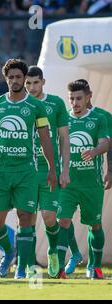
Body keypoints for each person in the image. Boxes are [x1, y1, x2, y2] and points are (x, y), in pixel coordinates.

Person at [0, 59, 56, 279]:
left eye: (18, 77)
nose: (14, 80)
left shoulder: (36, 106)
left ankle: (22, 267)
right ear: (6, 79)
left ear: (24, 78)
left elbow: (44, 138)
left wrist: (51, 167)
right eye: (10, 77)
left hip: (27, 172)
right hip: (1, 172)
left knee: (25, 216)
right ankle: (8, 250)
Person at [56, 80, 109, 280]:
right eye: (71, 99)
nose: (75, 103)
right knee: (63, 221)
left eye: (79, 98)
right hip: (67, 183)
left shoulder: (98, 119)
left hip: (91, 184)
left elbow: (105, 143)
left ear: (88, 97)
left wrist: (95, 151)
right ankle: (59, 267)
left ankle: (94, 266)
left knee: (94, 225)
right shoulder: (62, 120)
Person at [24, 66, 70, 278]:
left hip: (50, 169)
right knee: (27, 218)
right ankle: (28, 264)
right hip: (26, 170)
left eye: (35, 83)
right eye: (28, 83)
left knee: (49, 217)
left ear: (43, 81)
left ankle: (52, 250)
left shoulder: (56, 103)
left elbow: (63, 139)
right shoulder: (20, 105)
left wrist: (64, 169)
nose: (32, 87)